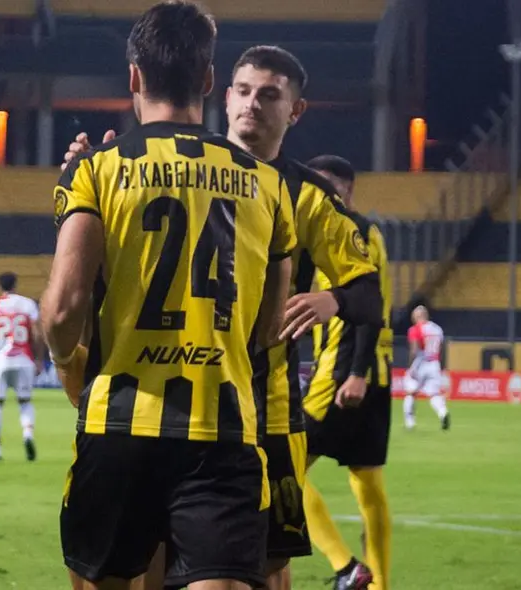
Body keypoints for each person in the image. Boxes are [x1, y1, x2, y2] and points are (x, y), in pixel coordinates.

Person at [62, 45, 383, 590]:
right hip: (160, 401)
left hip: (265, 410)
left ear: (294, 111)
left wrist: (329, 300)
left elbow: (369, 290)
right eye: (243, 90)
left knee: (264, 565)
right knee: (151, 555)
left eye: (269, 95)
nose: (252, 105)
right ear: (222, 92)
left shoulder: (304, 193)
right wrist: (91, 172)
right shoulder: (175, 166)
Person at [41, 3, 297, 589]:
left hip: (120, 427)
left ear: (134, 76)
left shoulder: (98, 169)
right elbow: (269, 326)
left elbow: (61, 312)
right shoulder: (267, 182)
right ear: (209, 81)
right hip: (222, 429)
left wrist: (67, 360)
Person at [301, 155, 393, 590]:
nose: (317, 194)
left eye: (325, 187)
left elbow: (368, 309)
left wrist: (354, 372)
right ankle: (379, 584)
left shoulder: (348, 231)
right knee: (367, 481)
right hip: (374, 372)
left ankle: (346, 567)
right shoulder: (364, 232)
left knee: (280, 467)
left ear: (346, 190)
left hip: (342, 374)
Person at [0, 272, 44, 461]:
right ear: (16, 284)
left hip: (0, 362)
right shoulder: (28, 304)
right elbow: (37, 335)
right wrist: (39, 359)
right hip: (24, 359)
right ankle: (28, 434)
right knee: (25, 402)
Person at [403, 304, 449, 430]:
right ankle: (443, 413)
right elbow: (442, 349)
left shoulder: (415, 329)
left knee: (410, 392)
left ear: (417, 316)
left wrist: (410, 366)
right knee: (434, 393)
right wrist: (442, 366)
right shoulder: (437, 329)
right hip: (434, 363)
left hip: (420, 362)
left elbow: (414, 349)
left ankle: (410, 422)